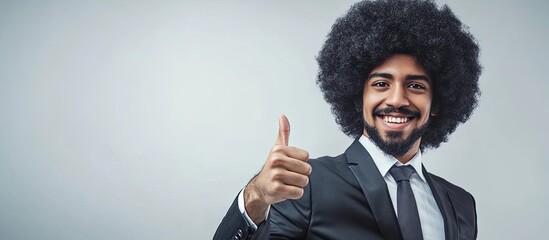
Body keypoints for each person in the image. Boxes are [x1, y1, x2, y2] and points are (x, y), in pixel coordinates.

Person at [214, 0, 481, 239]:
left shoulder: (461, 205)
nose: (397, 99)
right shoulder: (303, 183)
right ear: (357, 96)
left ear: (436, 103)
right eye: (380, 83)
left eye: (416, 86)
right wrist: (256, 197)